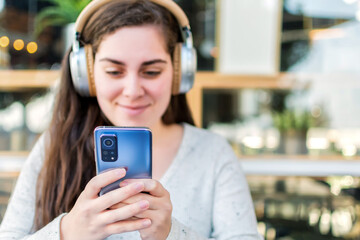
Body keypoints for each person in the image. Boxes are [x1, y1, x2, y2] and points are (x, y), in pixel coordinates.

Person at [0, 0, 261, 239]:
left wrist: (172, 234)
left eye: (151, 71)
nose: (133, 90)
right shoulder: (53, 148)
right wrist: (67, 233)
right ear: (86, 74)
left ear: (179, 72)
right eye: (114, 71)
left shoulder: (212, 154)